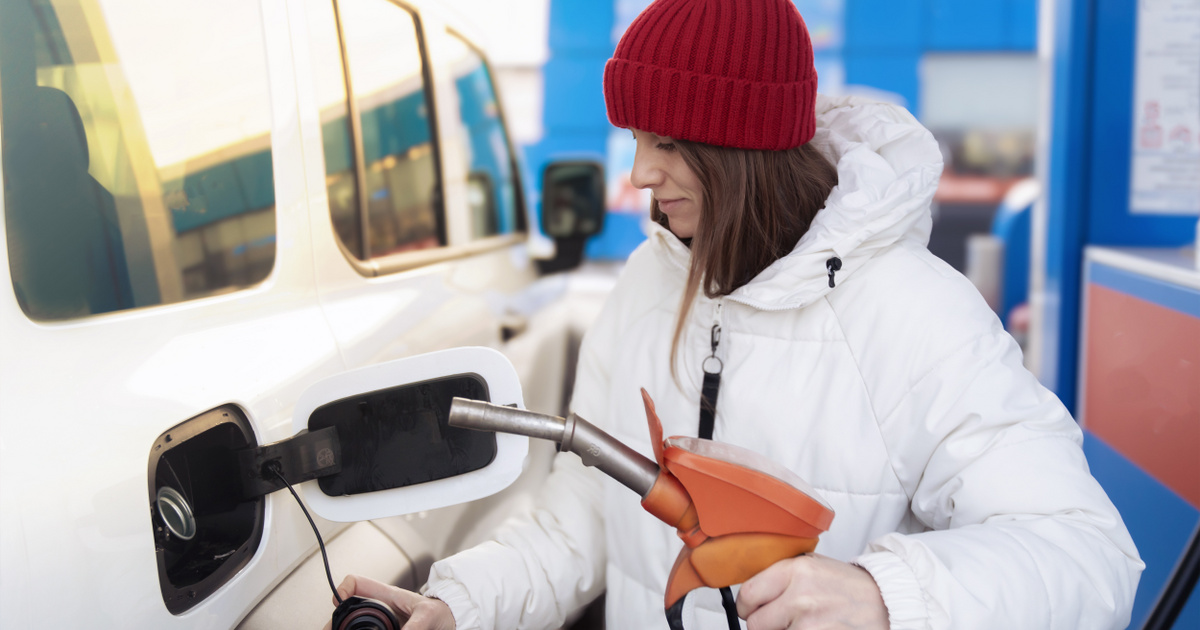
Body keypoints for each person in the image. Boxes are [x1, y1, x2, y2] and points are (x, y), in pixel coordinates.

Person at [330, 0, 1143, 628]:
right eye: (636, 139)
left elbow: (1089, 557)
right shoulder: (650, 285)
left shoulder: (915, 316)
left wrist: (885, 595)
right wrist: (462, 606)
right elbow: (586, 513)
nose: (642, 172)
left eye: (669, 142)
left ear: (743, 147)